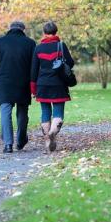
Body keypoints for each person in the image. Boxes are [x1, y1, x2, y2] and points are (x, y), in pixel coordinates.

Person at [0, 21, 36, 153]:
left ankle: (8, 144)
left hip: (5, 81)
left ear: (9, 28)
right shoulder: (30, 43)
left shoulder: (0, 42)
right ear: (23, 29)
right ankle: (21, 141)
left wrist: (0, 75)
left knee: (5, 112)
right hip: (24, 81)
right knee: (22, 112)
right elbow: (34, 65)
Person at [30, 21, 74, 152]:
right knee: (58, 112)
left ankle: (47, 136)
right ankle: (53, 131)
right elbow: (70, 63)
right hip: (59, 84)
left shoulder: (38, 48)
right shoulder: (61, 46)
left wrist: (33, 89)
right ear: (56, 31)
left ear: (44, 33)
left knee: (45, 112)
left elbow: (33, 70)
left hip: (42, 85)